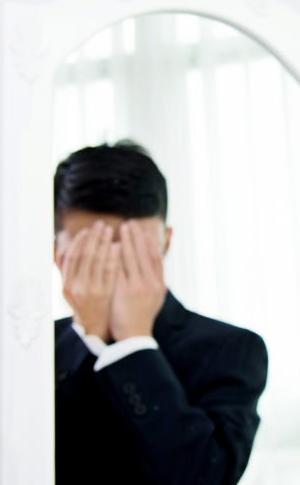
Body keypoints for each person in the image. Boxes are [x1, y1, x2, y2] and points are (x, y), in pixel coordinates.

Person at [52, 141, 268, 485]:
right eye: (91, 249)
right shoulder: (36, 349)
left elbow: (205, 478)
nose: (113, 262)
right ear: (57, 253)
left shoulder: (231, 351)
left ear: (165, 242)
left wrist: (134, 342)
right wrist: (88, 335)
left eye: (134, 247)